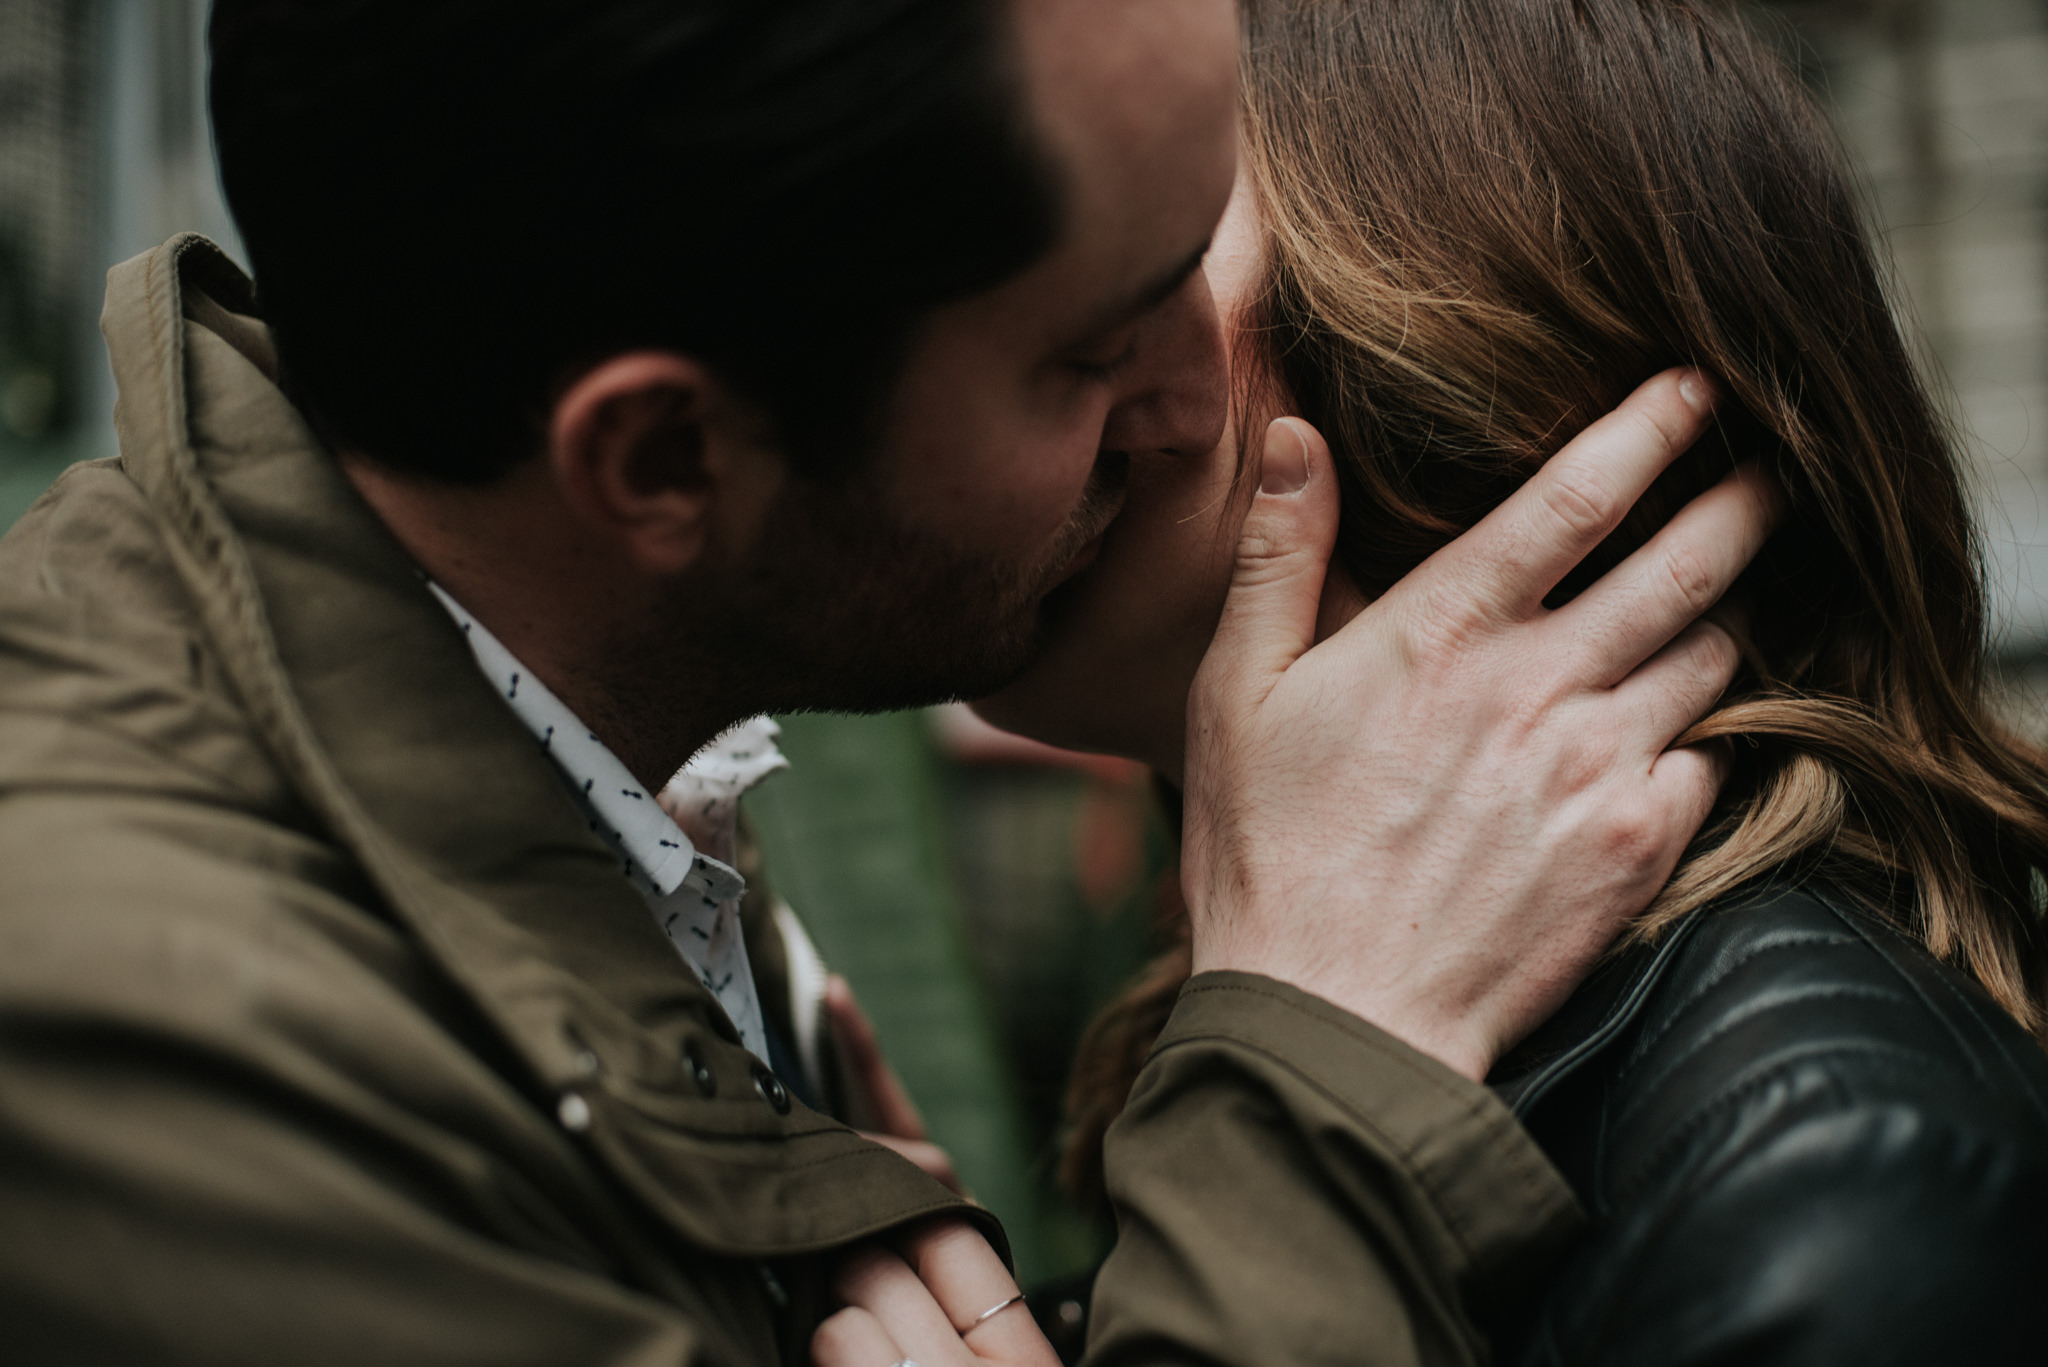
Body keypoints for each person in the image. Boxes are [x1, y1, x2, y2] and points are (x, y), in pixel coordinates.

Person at [0, 1, 1770, 1363]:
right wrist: (1319, 1079)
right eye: (1094, 344)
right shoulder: (187, 1071)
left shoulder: (554, 718)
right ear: (666, 462)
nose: (1192, 401)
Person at [838, 0, 2048, 1363]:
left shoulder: (1834, 1183)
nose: (1067, 335)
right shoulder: (1335, 971)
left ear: (1457, 384)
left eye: (1156, 260)